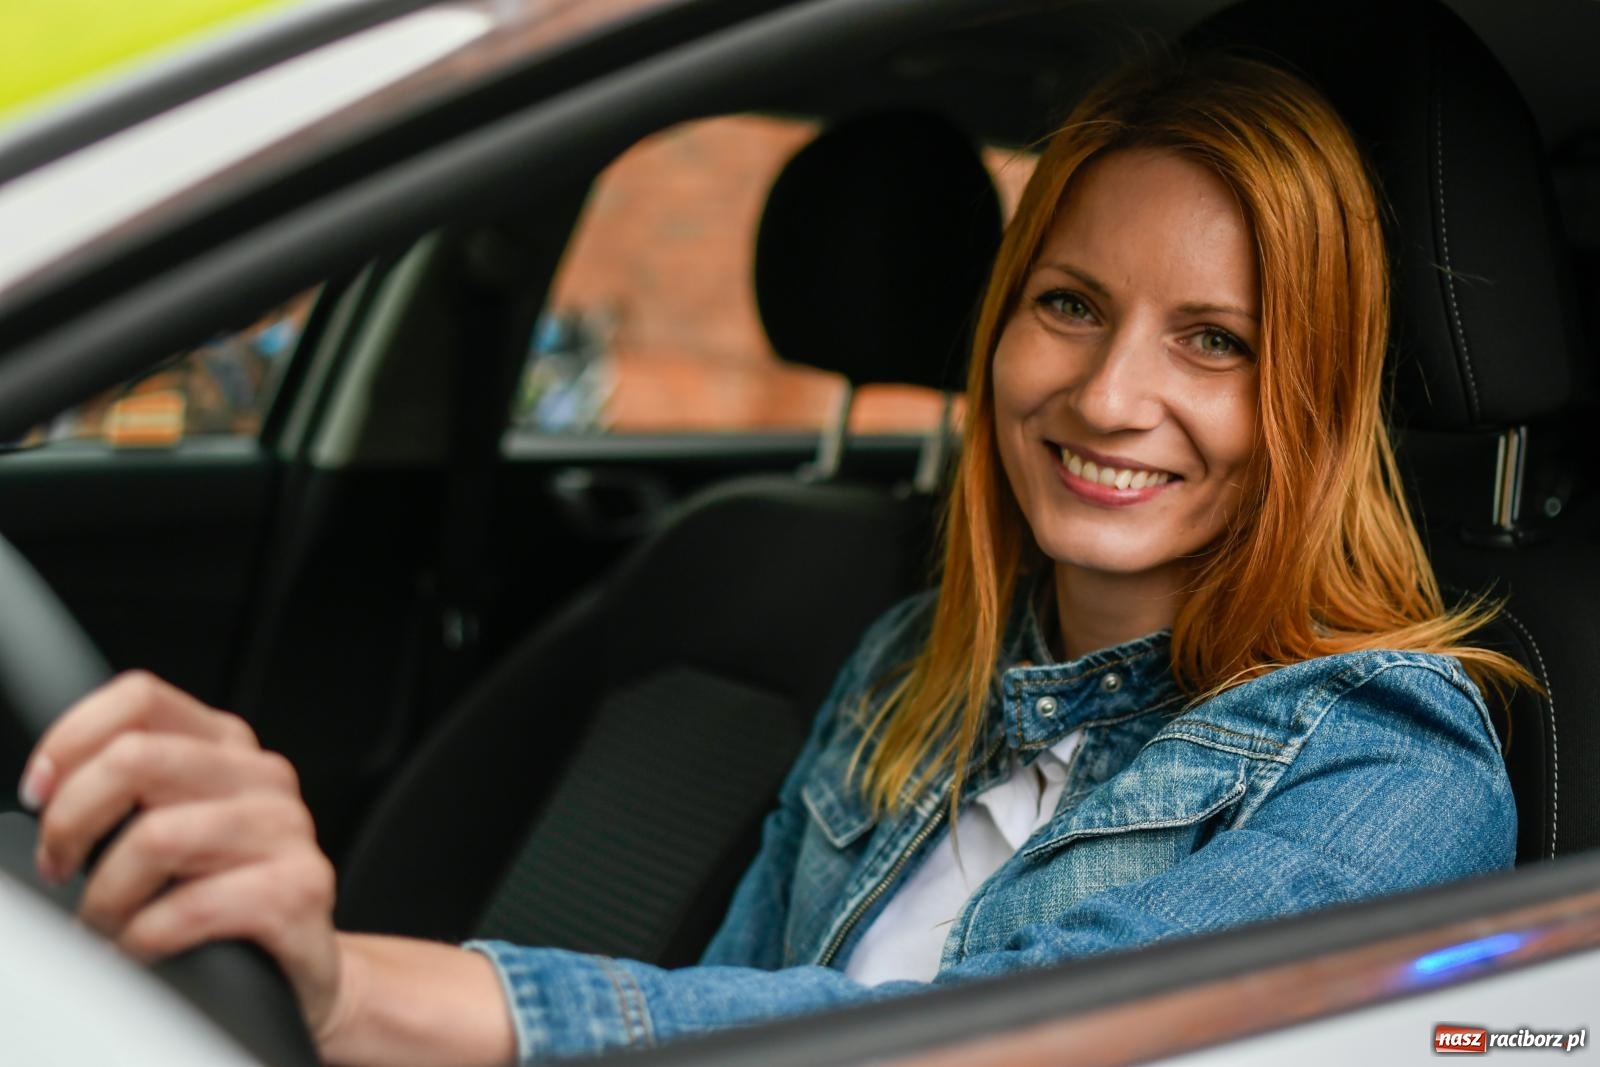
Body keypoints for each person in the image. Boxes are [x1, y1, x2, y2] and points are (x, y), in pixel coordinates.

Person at [16, 53, 1529, 1065]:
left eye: (1216, 342)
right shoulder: (911, 667)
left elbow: (980, 1047)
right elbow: (718, 1001)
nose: (1109, 395)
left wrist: (358, 991)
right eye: (1070, 304)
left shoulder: (1391, 763)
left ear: (1314, 399)